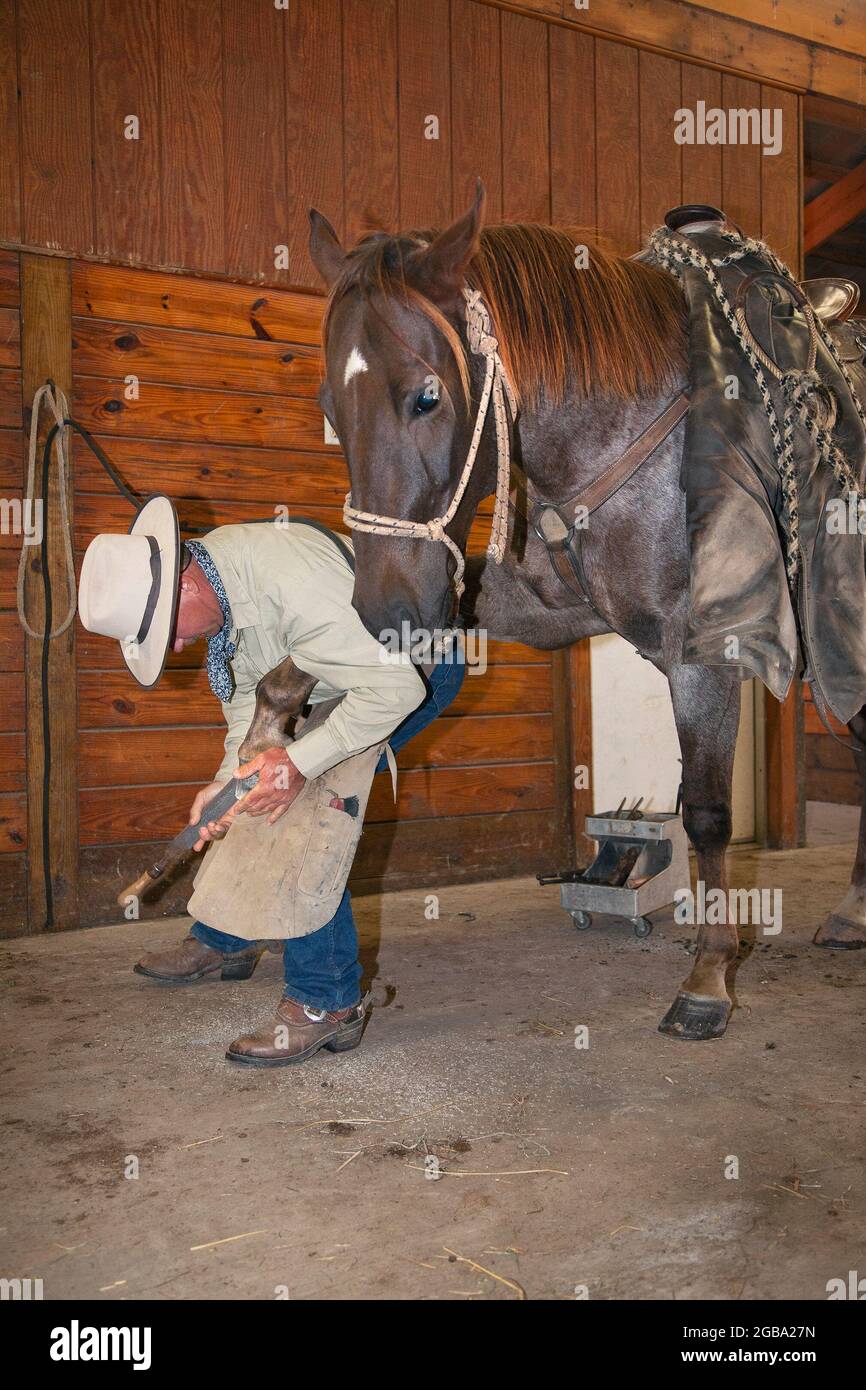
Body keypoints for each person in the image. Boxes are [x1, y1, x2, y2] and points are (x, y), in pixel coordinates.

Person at [78, 497, 465, 1065]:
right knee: (254, 792)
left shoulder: (292, 584)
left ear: (183, 587)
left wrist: (299, 765)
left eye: (169, 634)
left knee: (303, 812)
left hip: (410, 669)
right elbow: (250, 703)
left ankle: (327, 1001)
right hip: (327, 674)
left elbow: (394, 692)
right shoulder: (220, 584)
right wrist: (227, 783)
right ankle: (227, 940)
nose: (178, 648)